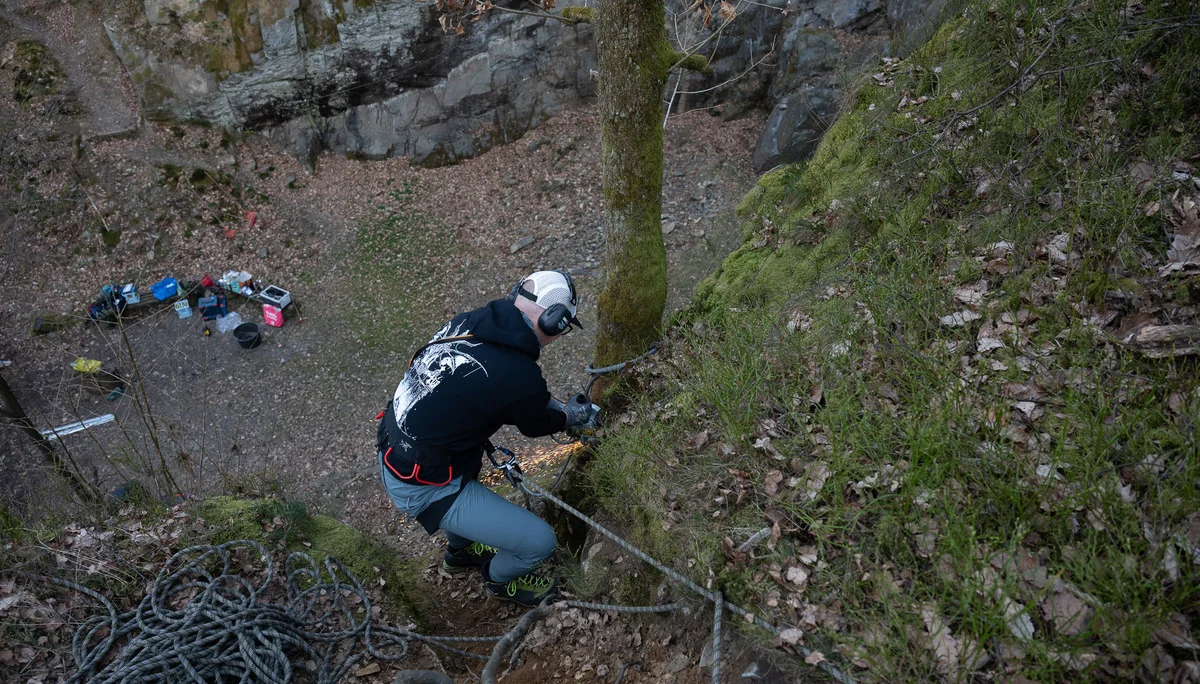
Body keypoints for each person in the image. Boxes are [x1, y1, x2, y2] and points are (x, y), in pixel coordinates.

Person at [377, 270, 599, 606]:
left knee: (468, 468)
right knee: (540, 541)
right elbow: (536, 421)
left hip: (397, 450)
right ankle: (498, 580)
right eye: (563, 327)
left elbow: (505, 395)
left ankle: (460, 552)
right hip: (424, 485)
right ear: (554, 321)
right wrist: (573, 416)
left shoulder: (468, 322)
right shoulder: (520, 375)